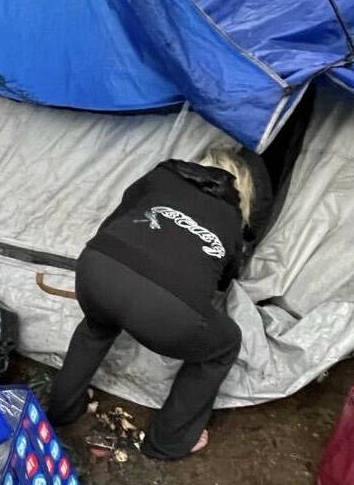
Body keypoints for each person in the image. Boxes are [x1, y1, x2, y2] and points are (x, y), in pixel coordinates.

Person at [47, 147, 265, 460]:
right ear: (240, 188)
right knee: (225, 344)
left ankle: (63, 407)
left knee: (97, 325)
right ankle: (169, 440)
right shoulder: (232, 219)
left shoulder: (163, 174)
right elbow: (223, 281)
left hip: (98, 269)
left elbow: (117, 218)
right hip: (168, 309)